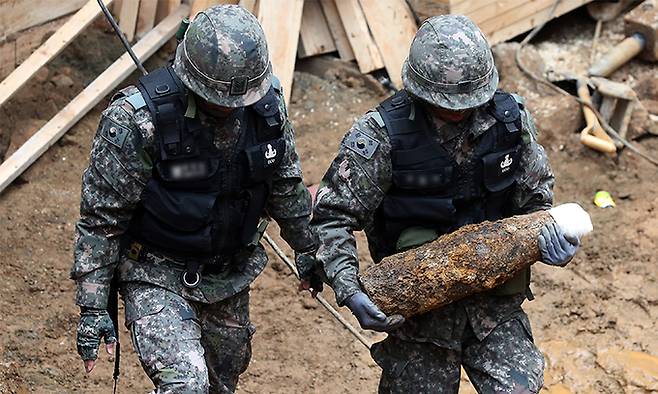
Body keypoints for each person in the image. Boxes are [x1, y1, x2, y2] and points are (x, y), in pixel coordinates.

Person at [311, 15, 580, 393]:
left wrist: (552, 241)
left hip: (494, 309)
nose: (458, 112)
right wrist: (349, 288)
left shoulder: (509, 122)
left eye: (468, 102)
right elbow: (331, 217)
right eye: (446, 104)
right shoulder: (381, 136)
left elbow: (536, 202)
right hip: (419, 317)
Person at [71, 5, 321, 393]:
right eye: (218, 99)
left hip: (229, 276)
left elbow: (284, 184)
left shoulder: (266, 109)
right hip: (156, 273)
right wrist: (92, 307)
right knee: (186, 385)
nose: (230, 108)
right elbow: (102, 219)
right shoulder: (137, 120)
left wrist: (308, 250)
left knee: (223, 382)